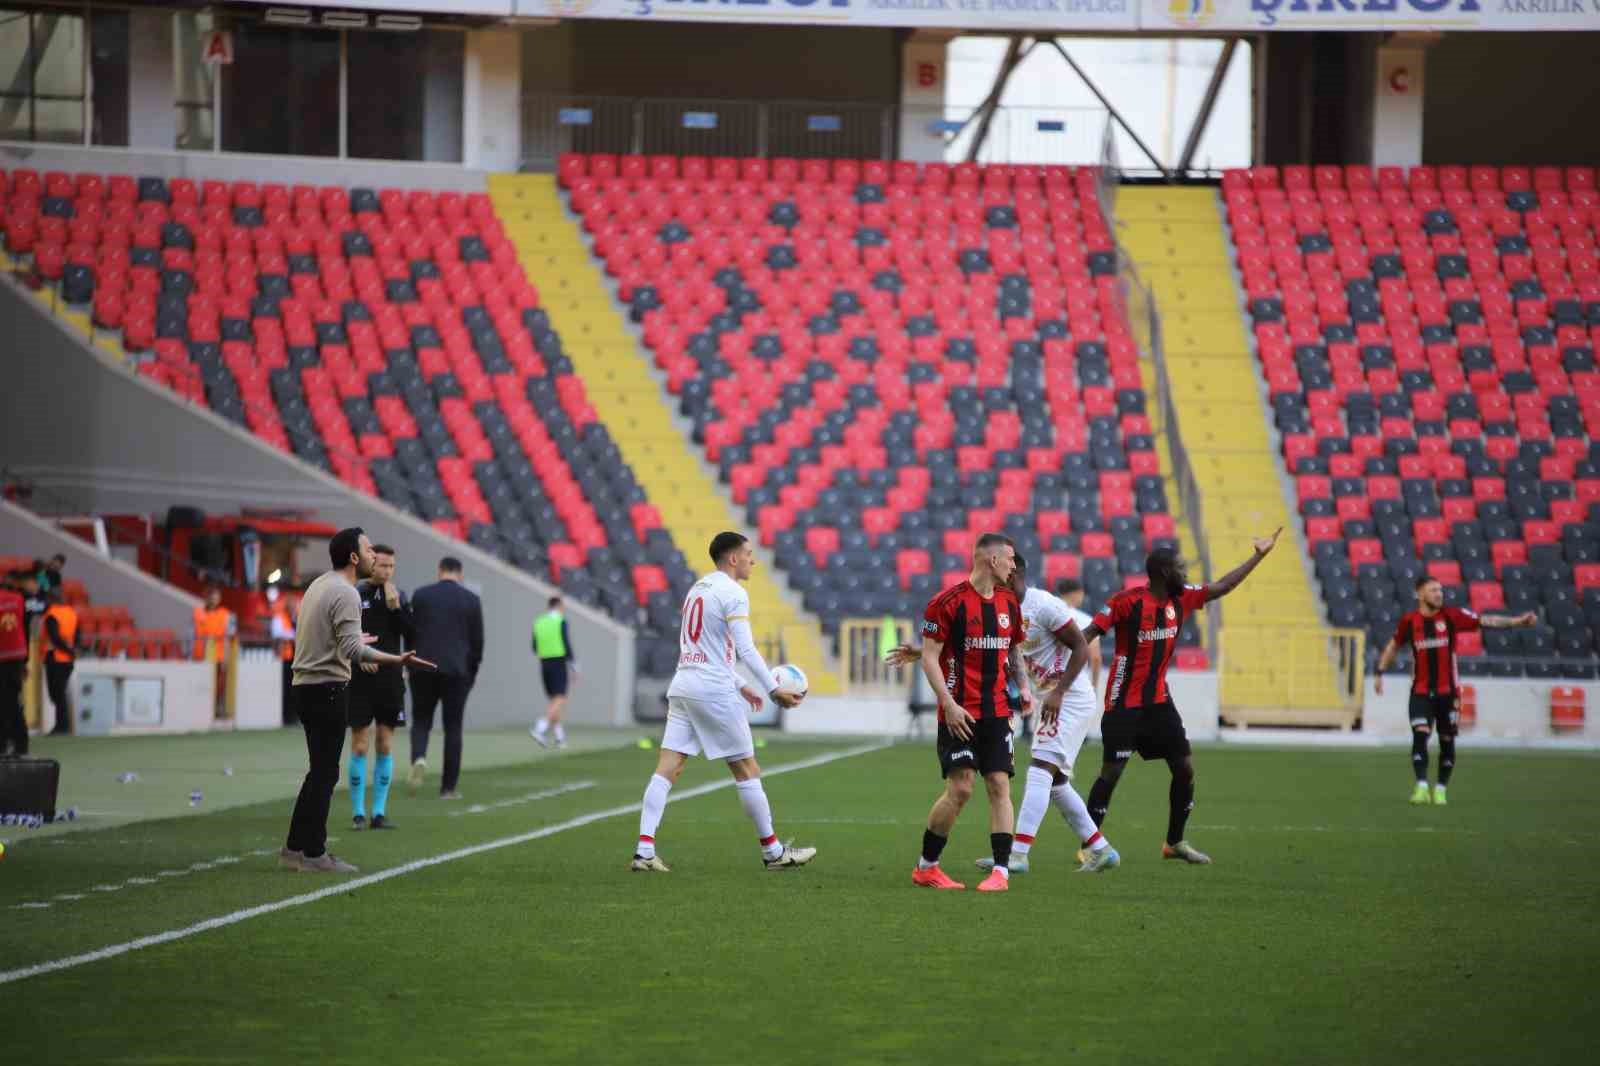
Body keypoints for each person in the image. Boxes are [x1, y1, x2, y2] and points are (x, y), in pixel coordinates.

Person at [886, 560, 1114, 874]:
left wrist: (1058, 692)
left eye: (1002, 573)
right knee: (1055, 781)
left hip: (1068, 698)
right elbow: (993, 648)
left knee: (1039, 770)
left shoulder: (1044, 604)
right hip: (1050, 697)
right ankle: (1100, 848)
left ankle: (1017, 854)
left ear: (1015, 574)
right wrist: (924, 652)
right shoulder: (1002, 607)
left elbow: (1082, 646)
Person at [1076, 532, 1282, 866]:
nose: (1185, 574)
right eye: (1179, 568)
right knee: (1111, 773)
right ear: (1161, 574)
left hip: (1158, 700)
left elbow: (1222, 586)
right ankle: (1089, 844)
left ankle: (1174, 842)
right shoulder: (1126, 602)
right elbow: (1086, 635)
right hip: (1124, 702)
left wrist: (1258, 556)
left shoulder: (1182, 597)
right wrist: (1060, 671)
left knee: (1184, 768)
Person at [630, 531, 812, 872]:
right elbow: (745, 649)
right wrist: (773, 689)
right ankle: (773, 853)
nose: (752, 560)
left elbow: (705, 649)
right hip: (712, 691)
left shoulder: (698, 589)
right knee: (746, 768)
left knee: (669, 766)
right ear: (733, 558)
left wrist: (741, 683)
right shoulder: (735, 593)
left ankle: (644, 850)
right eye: (748, 554)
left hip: (684, 684)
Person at [281, 528, 431, 874]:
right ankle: (315, 854)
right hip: (328, 688)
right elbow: (352, 650)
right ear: (353, 557)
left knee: (317, 771)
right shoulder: (346, 593)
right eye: (367, 549)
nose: (373, 556)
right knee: (325, 774)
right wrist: (397, 659)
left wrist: (352, 638)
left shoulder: (320, 584)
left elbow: (323, 633)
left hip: (305, 686)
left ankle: (293, 849)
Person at [910, 533, 1034, 893]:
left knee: (999, 785)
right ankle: (927, 867)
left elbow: (1013, 652)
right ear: (992, 560)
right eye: (1010, 559)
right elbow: (930, 658)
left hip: (996, 711)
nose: (1014, 566)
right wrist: (948, 703)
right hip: (959, 711)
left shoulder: (1010, 602)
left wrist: (1023, 688)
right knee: (961, 788)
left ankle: (1000, 872)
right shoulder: (947, 603)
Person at [1374, 578, 1535, 806]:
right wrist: (1380, 672)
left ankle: (1440, 789)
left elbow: (1486, 620)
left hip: (1449, 693)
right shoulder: (1409, 621)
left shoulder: (1452, 616)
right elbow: (1393, 645)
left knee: (1447, 740)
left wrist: (1518, 621)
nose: (1439, 594)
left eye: (1440, 590)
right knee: (1420, 734)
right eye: (1433, 590)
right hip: (1420, 692)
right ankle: (1421, 786)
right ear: (1420, 595)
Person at [407, 557, 483, 800]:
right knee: (453, 728)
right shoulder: (471, 600)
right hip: (456, 670)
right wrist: (471, 673)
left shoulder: (420, 596)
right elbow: (477, 643)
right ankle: (448, 788)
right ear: (460, 574)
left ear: (439, 571)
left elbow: (410, 631)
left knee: (421, 721)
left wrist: (410, 663)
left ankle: (418, 758)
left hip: (423, 667)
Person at [349, 544, 414, 830]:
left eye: (391, 567)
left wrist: (396, 608)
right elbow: (344, 633)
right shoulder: (355, 593)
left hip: (390, 679)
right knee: (360, 745)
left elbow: (411, 633)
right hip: (360, 679)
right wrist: (357, 656)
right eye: (382, 565)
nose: (387, 571)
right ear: (371, 564)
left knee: (385, 743)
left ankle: (378, 812)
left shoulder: (399, 596)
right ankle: (358, 813)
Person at [530, 595, 576, 749]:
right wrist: (574, 665)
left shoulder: (539, 622)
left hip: (544, 662)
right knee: (560, 698)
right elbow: (566, 643)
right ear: (558, 606)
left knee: (554, 701)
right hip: (558, 661)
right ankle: (540, 728)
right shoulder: (560, 621)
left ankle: (560, 737)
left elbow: (534, 646)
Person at [41, 588, 78, 736]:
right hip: (68, 660)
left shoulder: (52, 614)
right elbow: (78, 634)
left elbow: (54, 637)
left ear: (51, 599)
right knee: (60, 692)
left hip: (55, 657)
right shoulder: (71, 613)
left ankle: (61, 727)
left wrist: (67, 650)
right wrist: (73, 651)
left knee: (56, 693)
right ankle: (62, 725)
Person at [0, 571, 28, 756]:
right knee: (13, 701)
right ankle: (20, 744)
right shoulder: (18, 599)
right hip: (17, 657)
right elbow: (22, 627)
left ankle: (3, 744)